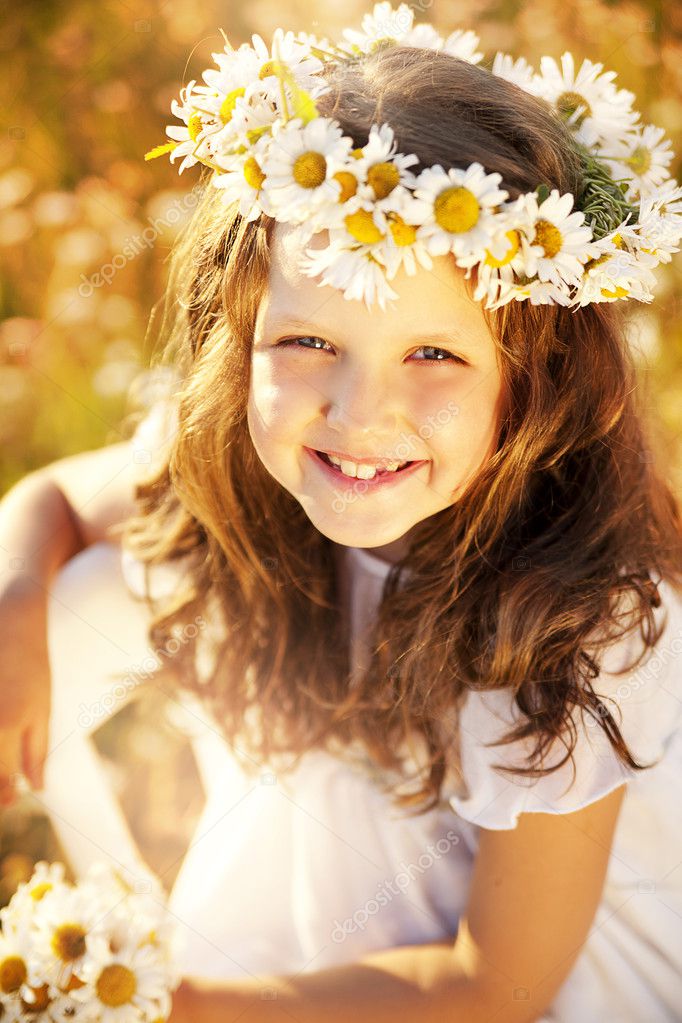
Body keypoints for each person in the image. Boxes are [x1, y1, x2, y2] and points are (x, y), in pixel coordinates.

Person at [1, 4, 682, 1021]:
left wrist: (157, 1007)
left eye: (435, 355)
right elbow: (55, 496)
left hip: (540, 986)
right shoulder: (232, 462)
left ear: (530, 379)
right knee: (93, 585)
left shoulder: (587, 616)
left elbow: (498, 982)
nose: (360, 418)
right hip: (320, 916)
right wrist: (14, 611)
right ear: (239, 341)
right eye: (306, 344)